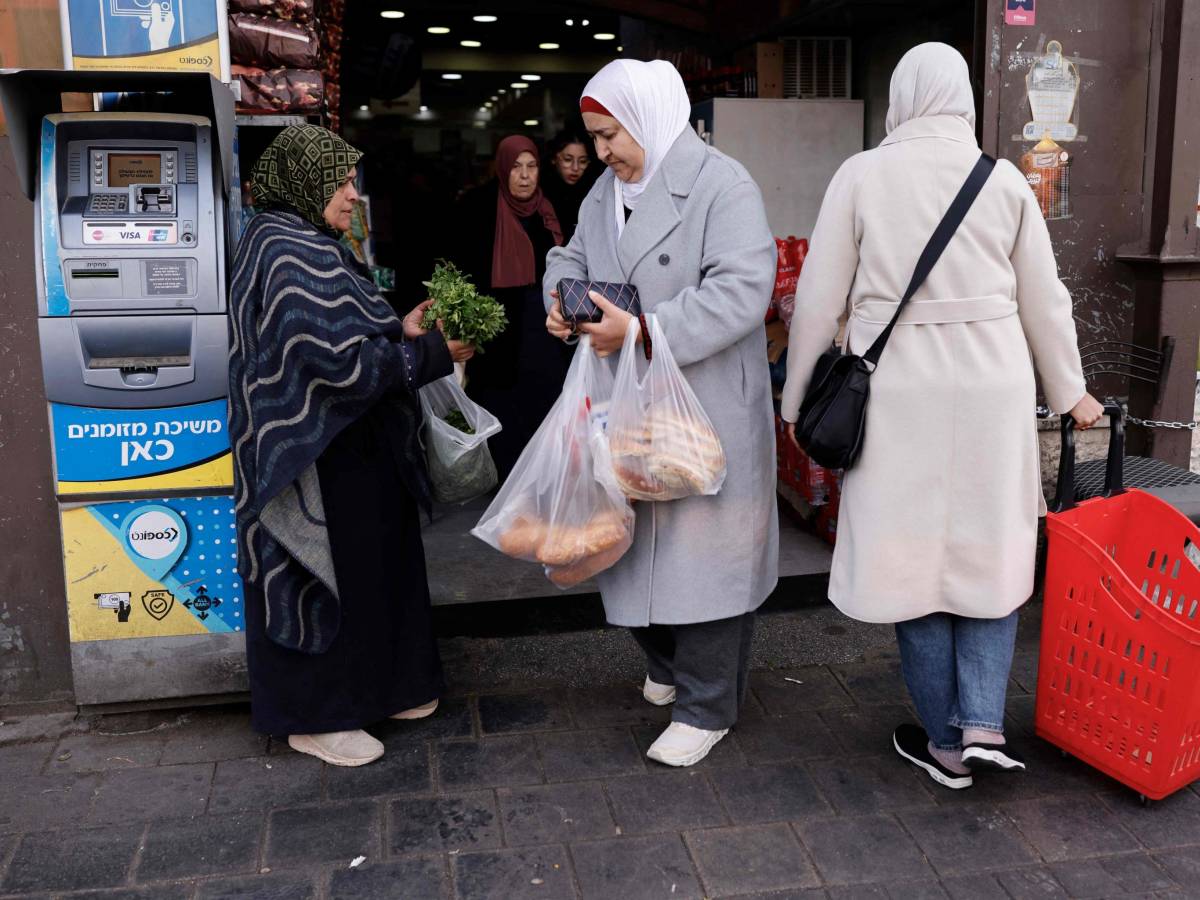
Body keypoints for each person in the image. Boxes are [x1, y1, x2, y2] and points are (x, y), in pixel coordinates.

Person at [780, 43, 1104, 790]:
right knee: (989, 551)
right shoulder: (1003, 182)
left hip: (896, 391)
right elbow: (1043, 299)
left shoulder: (861, 175)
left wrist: (797, 399)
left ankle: (946, 741)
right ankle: (986, 719)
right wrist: (1070, 390)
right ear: (960, 96)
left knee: (911, 565)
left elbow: (820, 302)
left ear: (901, 96)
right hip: (991, 387)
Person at [544, 59, 779, 768]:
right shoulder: (603, 194)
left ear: (648, 118)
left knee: (705, 562)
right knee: (622, 546)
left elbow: (742, 291)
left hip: (701, 408)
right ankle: (671, 665)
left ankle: (707, 706)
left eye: (611, 135)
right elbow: (568, 257)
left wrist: (644, 328)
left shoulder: (722, 184)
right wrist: (564, 302)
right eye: (595, 137)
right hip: (626, 405)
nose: (603, 152)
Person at [229, 125, 474, 767]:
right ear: (304, 182)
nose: (350, 195)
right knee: (325, 568)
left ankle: (387, 688)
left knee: (372, 563)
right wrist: (427, 355)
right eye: (338, 182)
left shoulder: (309, 240)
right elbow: (328, 362)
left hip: (353, 443)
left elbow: (348, 328)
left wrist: (399, 327)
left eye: (351, 181)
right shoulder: (282, 248)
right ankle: (316, 716)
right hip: (314, 450)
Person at [454, 135, 568, 478]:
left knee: (545, 401)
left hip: (544, 329)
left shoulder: (552, 208)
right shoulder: (478, 207)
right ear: (503, 169)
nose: (524, 175)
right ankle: (504, 479)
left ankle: (541, 479)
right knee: (500, 404)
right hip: (497, 331)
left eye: (531, 167)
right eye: (516, 167)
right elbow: (462, 267)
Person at [541, 125, 597, 242]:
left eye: (582, 161)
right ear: (553, 158)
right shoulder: (541, 194)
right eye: (567, 159)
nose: (575, 168)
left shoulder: (594, 193)